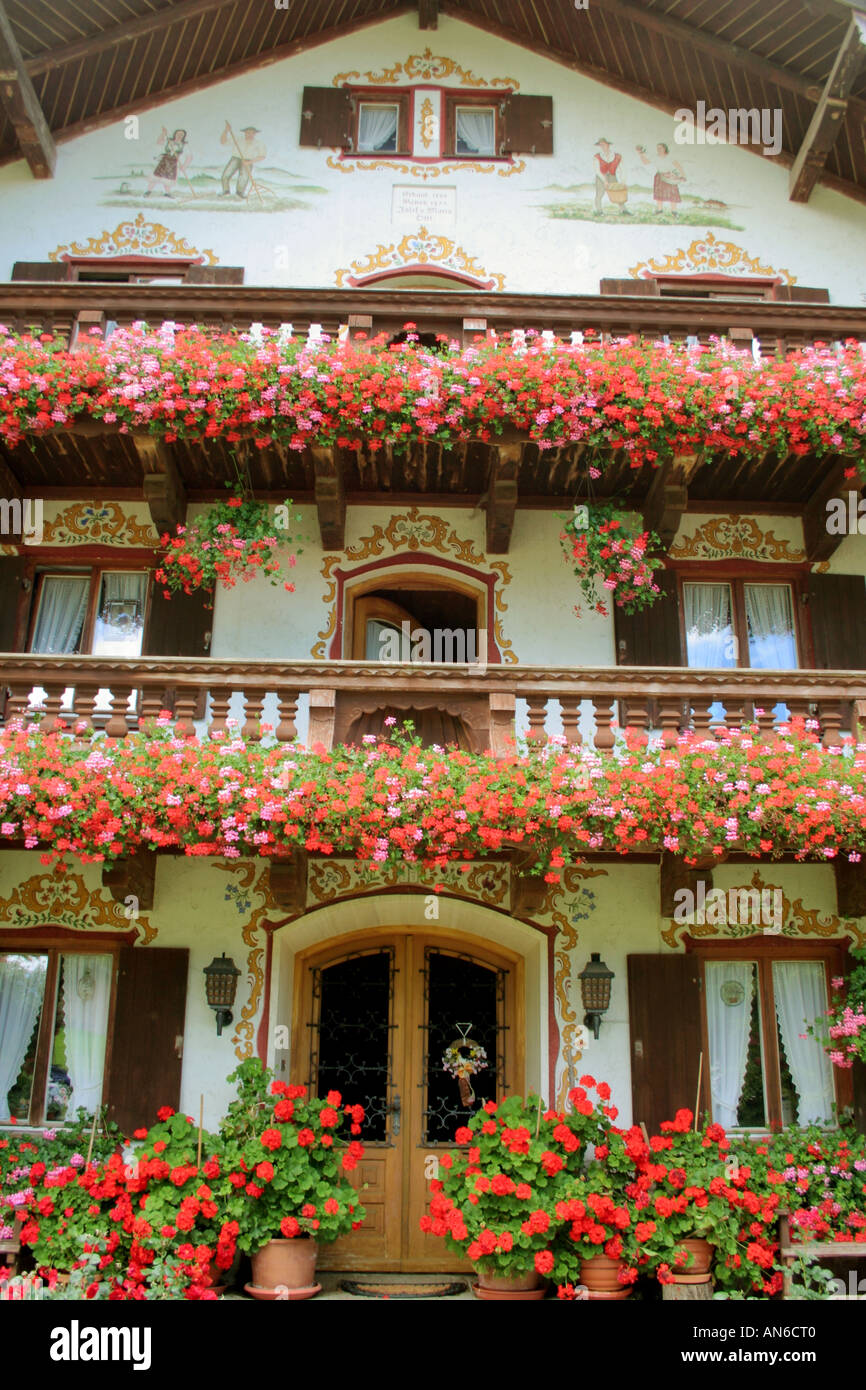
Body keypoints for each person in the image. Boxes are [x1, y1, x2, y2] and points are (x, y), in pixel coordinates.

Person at [636, 142, 685, 214]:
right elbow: (646, 162)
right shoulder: (655, 157)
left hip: (670, 177)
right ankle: (659, 210)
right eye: (657, 148)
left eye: (660, 148)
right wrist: (641, 154)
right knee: (659, 193)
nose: (658, 149)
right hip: (659, 176)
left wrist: (683, 176)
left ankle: (674, 211)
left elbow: (678, 166)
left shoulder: (670, 157)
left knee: (673, 194)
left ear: (665, 149)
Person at [220, 123, 266, 198]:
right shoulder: (238, 139)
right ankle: (225, 191)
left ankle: (239, 194)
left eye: (252, 133)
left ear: (255, 134)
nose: (250, 134)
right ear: (245, 133)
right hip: (235, 158)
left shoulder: (259, 143)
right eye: (248, 133)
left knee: (243, 178)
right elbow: (223, 142)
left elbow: (262, 156)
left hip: (248, 161)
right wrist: (226, 131)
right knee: (225, 175)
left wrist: (249, 162)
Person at [146, 128, 190, 197]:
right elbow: (159, 142)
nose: (179, 136)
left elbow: (189, 157)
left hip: (173, 164)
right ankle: (148, 191)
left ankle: (167, 193)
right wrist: (163, 133)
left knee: (168, 179)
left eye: (181, 135)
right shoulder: (169, 141)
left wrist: (184, 166)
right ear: (175, 134)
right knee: (156, 176)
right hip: (164, 161)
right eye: (178, 134)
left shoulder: (184, 145)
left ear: (184, 136)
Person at [593, 137, 624, 214]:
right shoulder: (597, 157)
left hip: (612, 176)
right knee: (599, 194)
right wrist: (604, 180)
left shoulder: (616, 156)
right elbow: (597, 170)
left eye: (604, 145)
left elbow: (621, 169)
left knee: (617, 192)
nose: (602, 147)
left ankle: (623, 210)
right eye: (601, 145)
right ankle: (599, 211)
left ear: (608, 145)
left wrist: (623, 180)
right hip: (601, 177)